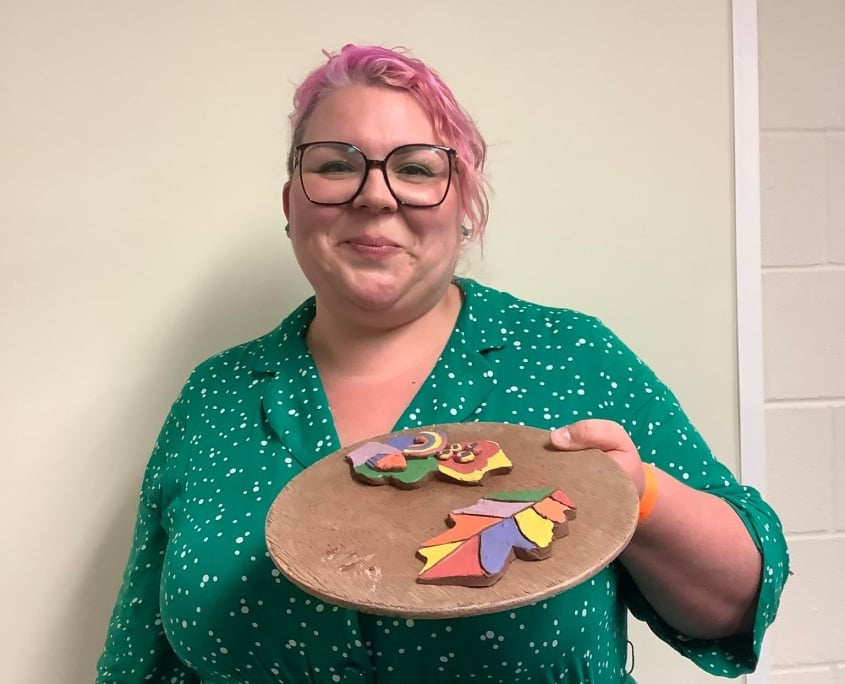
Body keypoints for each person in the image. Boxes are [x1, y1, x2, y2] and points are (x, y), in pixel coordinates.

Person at [96, 44, 789, 683]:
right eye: (336, 165)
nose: (374, 194)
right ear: (291, 204)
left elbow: (733, 605)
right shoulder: (216, 397)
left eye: (417, 168)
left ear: (463, 207)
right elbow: (140, 659)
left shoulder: (570, 359)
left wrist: (637, 495)